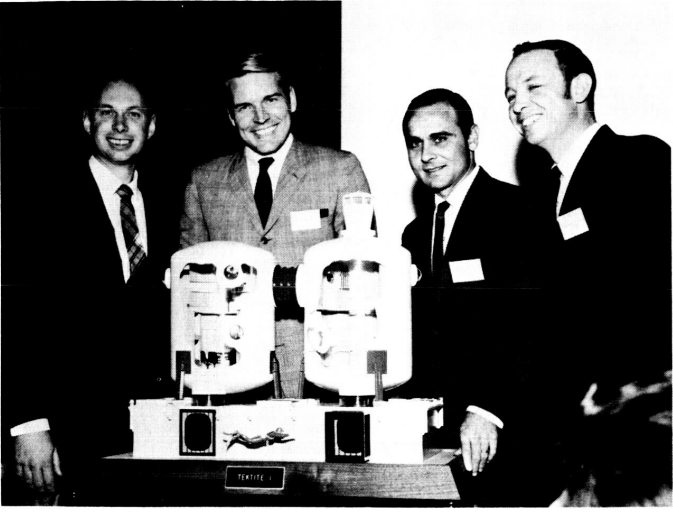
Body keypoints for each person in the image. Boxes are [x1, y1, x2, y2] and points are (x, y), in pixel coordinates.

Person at [5, 75, 174, 504]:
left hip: (151, 433)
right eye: (107, 113)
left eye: (133, 114)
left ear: (151, 126)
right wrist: (28, 426)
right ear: (87, 121)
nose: (120, 126)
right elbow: (15, 314)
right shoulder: (42, 198)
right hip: (67, 436)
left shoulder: (172, 200)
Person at [399, 88, 564, 506]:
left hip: (509, 434)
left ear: (471, 137)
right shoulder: (413, 235)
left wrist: (488, 409)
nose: (426, 155)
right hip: (437, 441)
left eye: (440, 139)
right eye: (415, 144)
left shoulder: (521, 211)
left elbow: (536, 327)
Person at [180, 51, 372, 400]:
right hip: (229, 372)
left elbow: (362, 281)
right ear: (230, 116)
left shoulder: (339, 170)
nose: (260, 117)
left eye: (270, 99)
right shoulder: (204, 181)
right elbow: (188, 293)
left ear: (292, 100)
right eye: (244, 107)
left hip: (321, 366)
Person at [505, 40, 671, 410]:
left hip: (631, 407)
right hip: (569, 415)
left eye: (533, 87)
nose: (517, 105)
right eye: (511, 95)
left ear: (579, 88)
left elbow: (648, 296)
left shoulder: (640, 160)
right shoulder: (541, 196)